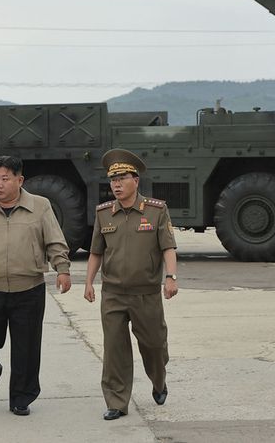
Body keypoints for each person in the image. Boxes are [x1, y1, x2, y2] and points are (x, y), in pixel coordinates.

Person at [0, 155, 72, 416]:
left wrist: (62, 268)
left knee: (26, 348)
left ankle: (22, 396)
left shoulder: (40, 206)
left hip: (28, 289)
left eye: (5, 179)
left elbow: (54, 240)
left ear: (20, 180)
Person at [83, 148, 178, 421]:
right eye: (113, 179)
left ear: (135, 180)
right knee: (114, 350)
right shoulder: (104, 214)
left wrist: (170, 277)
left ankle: (158, 380)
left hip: (146, 294)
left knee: (154, 345)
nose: (116, 184)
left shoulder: (156, 211)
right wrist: (89, 282)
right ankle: (117, 401)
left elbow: (168, 247)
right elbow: (96, 252)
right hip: (112, 294)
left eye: (122, 178)